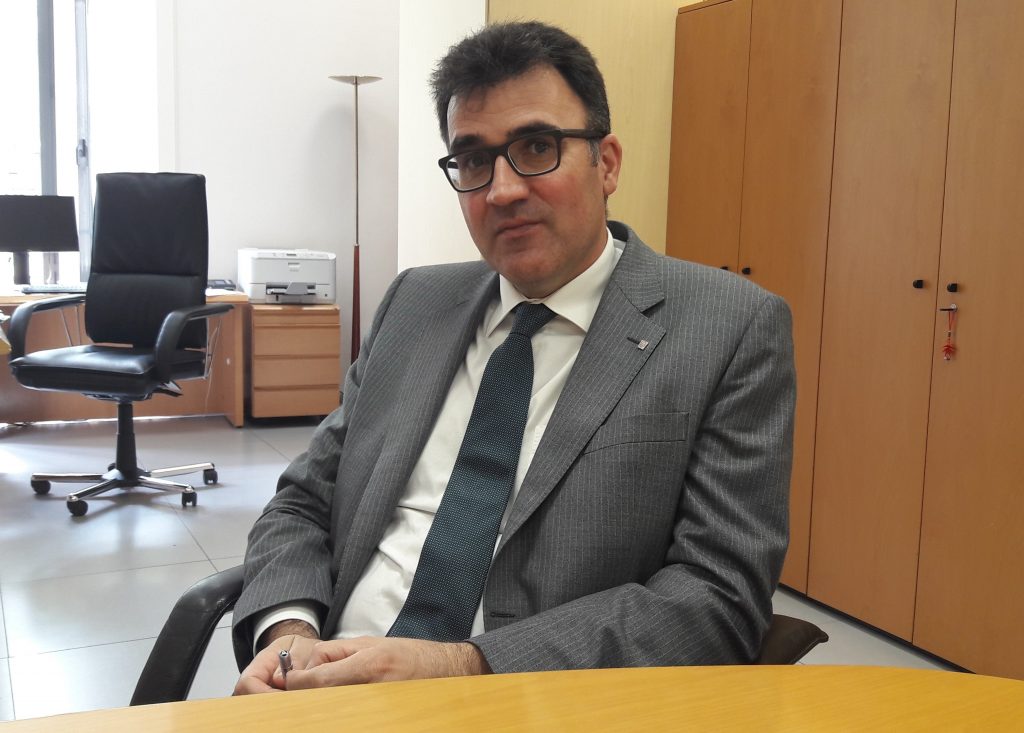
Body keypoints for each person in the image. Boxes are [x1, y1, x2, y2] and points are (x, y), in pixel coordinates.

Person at [232, 20, 795, 694]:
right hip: (324, 689)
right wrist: (288, 636)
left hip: (534, 698)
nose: (501, 190)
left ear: (607, 163)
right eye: (473, 160)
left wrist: (459, 666)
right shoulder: (414, 302)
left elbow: (718, 595)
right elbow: (302, 501)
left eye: (536, 147)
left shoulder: (728, 328)